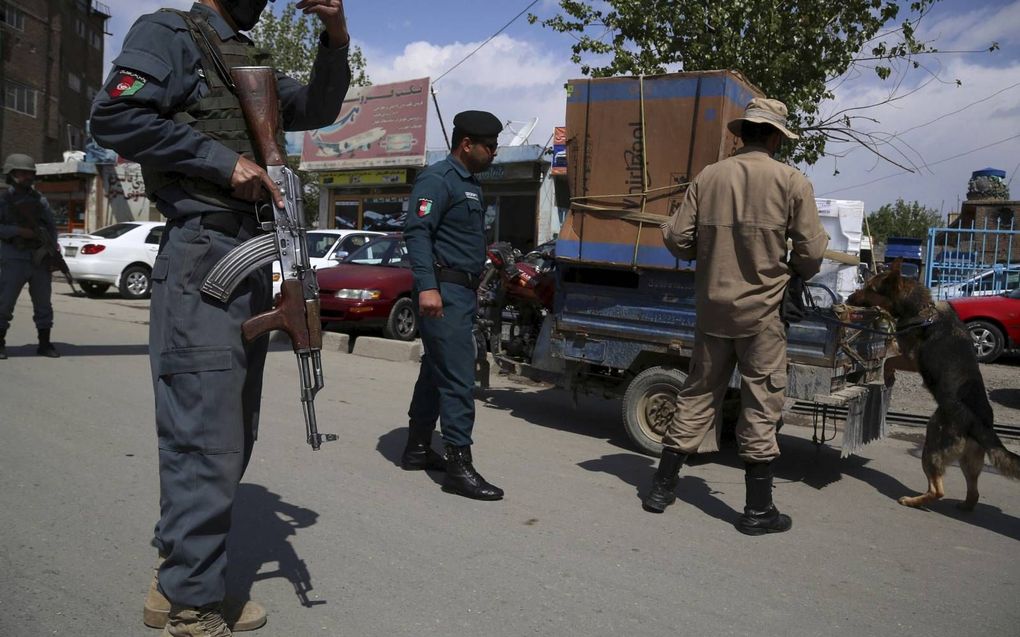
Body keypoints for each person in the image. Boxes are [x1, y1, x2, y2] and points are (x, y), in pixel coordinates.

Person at [90, 1, 351, 634]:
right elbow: (114, 116)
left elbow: (316, 107)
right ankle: (193, 605)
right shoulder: (169, 33)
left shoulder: (243, 55)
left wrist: (335, 35)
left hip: (252, 254)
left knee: (233, 427)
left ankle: (179, 576)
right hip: (205, 251)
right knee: (206, 435)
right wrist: (220, 161)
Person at [641, 98, 828, 535]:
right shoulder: (791, 181)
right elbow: (813, 251)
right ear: (776, 136)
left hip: (712, 311)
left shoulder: (710, 176)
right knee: (761, 405)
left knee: (696, 394)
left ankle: (660, 489)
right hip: (762, 316)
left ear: (742, 132)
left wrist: (705, 255)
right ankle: (757, 511)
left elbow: (676, 238)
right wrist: (795, 273)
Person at [401, 110, 505, 501]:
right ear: (467, 145)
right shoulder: (438, 178)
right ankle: (459, 466)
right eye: (489, 146)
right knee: (460, 377)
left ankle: (416, 448)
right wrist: (428, 288)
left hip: (460, 292)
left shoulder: (469, 184)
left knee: (436, 370)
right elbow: (417, 232)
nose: (494, 152)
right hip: (442, 293)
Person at [0, 154, 61, 360]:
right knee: (4, 303)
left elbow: (51, 227)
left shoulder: (39, 200)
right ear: (11, 174)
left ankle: (44, 344)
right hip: (13, 258)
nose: (27, 176)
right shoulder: (3, 199)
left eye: (29, 173)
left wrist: (53, 248)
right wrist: (17, 231)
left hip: (39, 258)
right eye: (22, 173)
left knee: (44, 304)